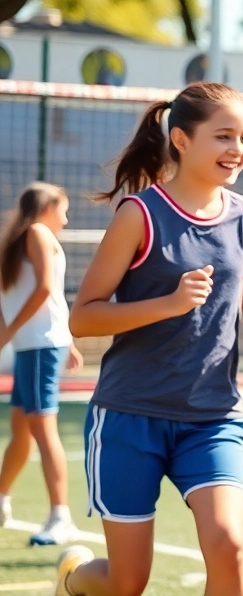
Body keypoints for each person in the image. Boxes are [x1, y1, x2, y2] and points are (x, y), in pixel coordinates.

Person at [58, 82, 243, 596]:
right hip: (129, 415)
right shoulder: (138, 214)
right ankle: (72, 580)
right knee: (127, 582)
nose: (238, 149)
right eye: (223, 136)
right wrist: (168, 304)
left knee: (228, 546)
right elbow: (83, 318)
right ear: (181, 139)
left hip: (213, 416)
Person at [0, 182, 83, 546]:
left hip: (40, 346)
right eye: (63, 210)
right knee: (22, 429)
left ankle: (61, 517)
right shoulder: (31, 235)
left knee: (42, 430)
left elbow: (47, 290)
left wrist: (11, 331)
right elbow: (34, 293)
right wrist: (10, 333)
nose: (65, 219)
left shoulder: (35, 234)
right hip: (34, 346)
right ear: (47, 207)